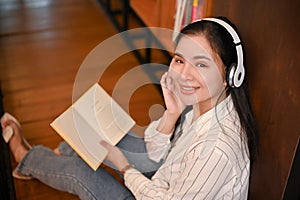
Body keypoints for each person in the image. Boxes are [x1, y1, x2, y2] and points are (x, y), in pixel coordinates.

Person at [1, 16, 257, 199]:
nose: (184, 75)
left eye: (201, 64)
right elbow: (155, 151)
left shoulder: (217, 149)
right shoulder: (205, 102)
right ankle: (64, 153)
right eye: (180, 60)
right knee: (104, 131)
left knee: (82, 173)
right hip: (165, 179)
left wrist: (125, 168)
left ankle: (28, 157)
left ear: (230, 75)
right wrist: (171, 114)